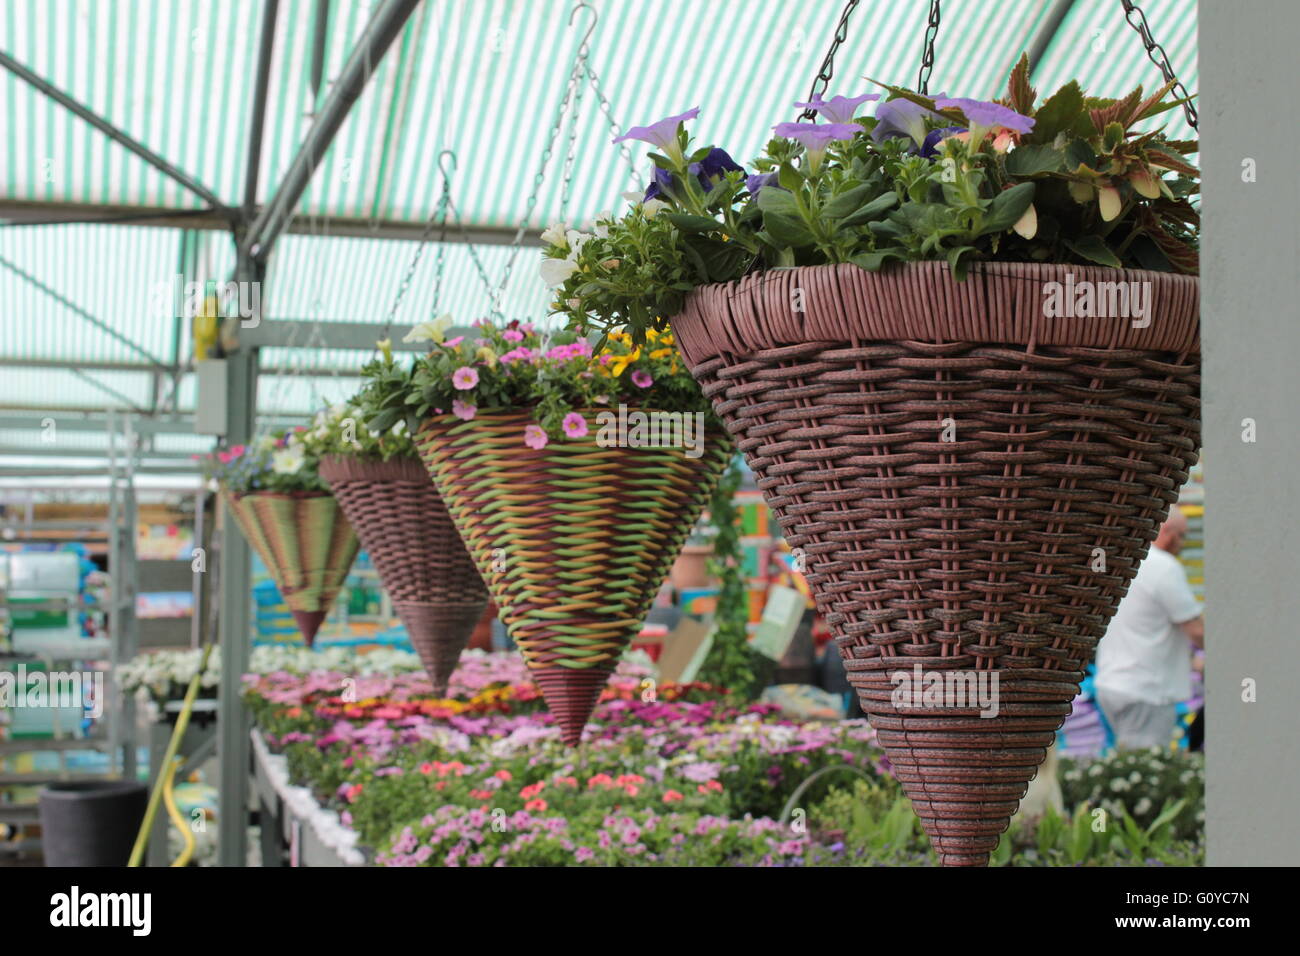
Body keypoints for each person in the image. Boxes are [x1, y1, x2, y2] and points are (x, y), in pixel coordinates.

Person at [1095, 506, 1205, 750]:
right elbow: (1196, 630)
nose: (1182, 544)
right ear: (1167, 532)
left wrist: (1191, 660)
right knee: (1145, 765)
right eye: (1181, 536)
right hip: (1147, 690)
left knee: (1128, 759)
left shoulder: (1121, 561)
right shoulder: (1164, 567)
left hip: (1112, 684)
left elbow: (1145, 627)